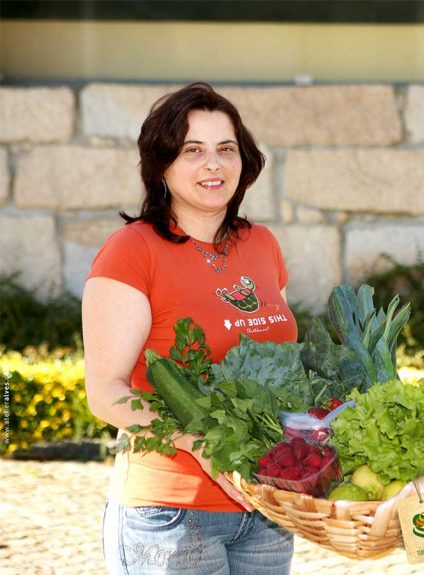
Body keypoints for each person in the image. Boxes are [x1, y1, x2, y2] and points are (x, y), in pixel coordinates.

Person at [83, 82, 295, 574]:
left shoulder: (261, 244)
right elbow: (106, 393)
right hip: (171, 515)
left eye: (226, 149)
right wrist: (199, 443)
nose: (213, 164)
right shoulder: (132, 251)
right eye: (192, 150)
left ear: (244, 160)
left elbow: (285, 368)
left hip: (266, 507)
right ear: (162, 164)